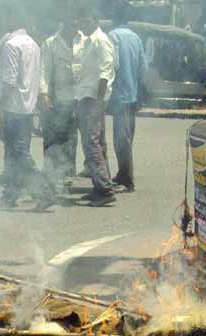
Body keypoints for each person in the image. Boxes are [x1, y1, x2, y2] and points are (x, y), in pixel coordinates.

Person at [0, 13, 47, 209]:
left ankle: (43, 192)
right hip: (27, 107)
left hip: (14, 107)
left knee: (18, 154)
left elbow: (9, 81)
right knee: (13, 154)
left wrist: (0, 107)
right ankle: (10, 194)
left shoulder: (11, 45)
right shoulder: (33, 44)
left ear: (10, 20)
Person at [74, 7, 116, 205]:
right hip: (87, 98)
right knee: (97, 143)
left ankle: (105, 190)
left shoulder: (100, 40)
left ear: (93, 19)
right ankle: (99, 186)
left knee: (92, 144)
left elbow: (105, 72)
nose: (80, 23)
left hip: (94, 99)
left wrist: (98, 101)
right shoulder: (88, 41)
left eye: (83, 18)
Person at [40, 16, 83, 190]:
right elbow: (44, 70)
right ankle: (50, 176)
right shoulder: (51, 43)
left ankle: (66, 175)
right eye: (71, 20)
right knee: (53, 138)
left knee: (71, 138)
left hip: (78, 98)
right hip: (57, 99)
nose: (75, 23)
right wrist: (44, 94)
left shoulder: (84, 40)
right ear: (64, 22)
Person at [108, 2, 147, 193]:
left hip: (120, 96)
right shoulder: (136, 37)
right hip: (132, 95)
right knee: (127, 136)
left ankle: (127, 181)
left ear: (114, 17)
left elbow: (111, 66)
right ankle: (122, 173)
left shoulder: (113, 36)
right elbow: (142, 68)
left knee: (121, 139)